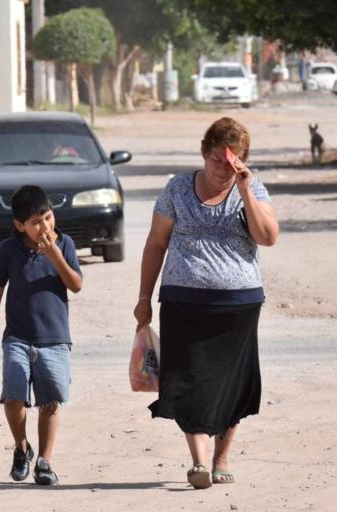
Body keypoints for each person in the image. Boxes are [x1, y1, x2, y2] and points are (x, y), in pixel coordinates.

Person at [133, 117, 279, 490]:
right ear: (204, 152)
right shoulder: (177, 189)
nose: (222, 169)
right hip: (183, 303)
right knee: (187, 380)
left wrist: (245, 190)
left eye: (232, 162)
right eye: (217, 160)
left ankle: (221, 459)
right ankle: (199, 461)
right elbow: (156, 243)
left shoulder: (252, 188)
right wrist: (144, 297)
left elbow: (267, 237)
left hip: (238, 306)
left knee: (232, 384)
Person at [0, 185, 83, 486]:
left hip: (54, 339)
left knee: (49, 402)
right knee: (13, 397)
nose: (45, 227)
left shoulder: (64, 244)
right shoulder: (8, 250)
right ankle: (22, 447)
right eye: (36, 222)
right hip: (17, 337)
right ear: (19, 225)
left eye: (48, 218)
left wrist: (55, 255)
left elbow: (76, 285)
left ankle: (44, 462)